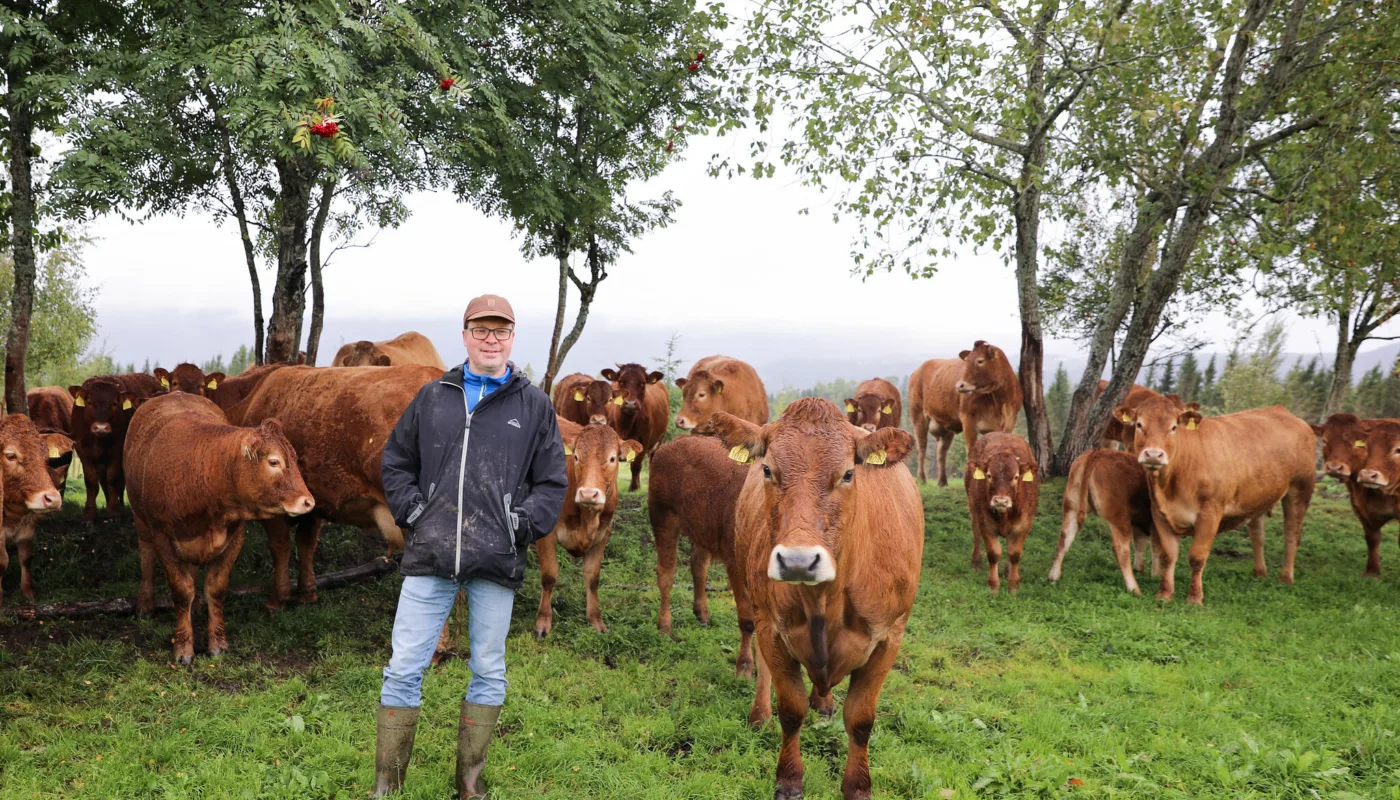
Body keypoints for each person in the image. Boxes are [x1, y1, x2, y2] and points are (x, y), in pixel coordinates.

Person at [374, 294, 567, 798]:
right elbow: (395, 461)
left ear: (511, 338)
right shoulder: (434, 396)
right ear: (464, 336)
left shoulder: (534, 405)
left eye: (500, 331)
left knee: (489, 670)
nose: (490, 339)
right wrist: (414, 512)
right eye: (481, 330)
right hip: (430, 555)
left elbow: (552, 482)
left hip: (495, 559)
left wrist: (521, 524)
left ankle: (470, 785)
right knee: (403, 668)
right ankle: (386, 786)